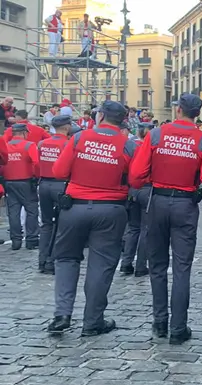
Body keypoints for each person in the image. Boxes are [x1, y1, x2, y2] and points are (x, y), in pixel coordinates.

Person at [129, 93, 202, 344]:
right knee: (182, 267)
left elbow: (136, 173)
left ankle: (159, 322)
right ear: (197, 114)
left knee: (157, 265)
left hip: (157, 200)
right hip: (185, 203)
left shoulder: (157, 134)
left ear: (178, 109)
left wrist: (144, 183)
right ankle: (179, 327)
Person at [46, 101, 136, 335]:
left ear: (101, 116)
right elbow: (136, 180)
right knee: (101, 264)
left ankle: (62, 314)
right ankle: (92, 321)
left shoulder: (79, 138)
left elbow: (58, 172)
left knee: (66, 258)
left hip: (74, 207)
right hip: (111, 209)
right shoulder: (128, 146)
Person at [37, 115, 72, 274]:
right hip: (60, 185)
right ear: (66, 128)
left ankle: (42, 260)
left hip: (43, 184)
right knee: (60, 225)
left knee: (46, 224)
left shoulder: (42, 143)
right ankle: (51, 262)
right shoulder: (67, 144)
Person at [119, 122, 154, 278]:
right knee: (145, 230)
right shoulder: (152, 148)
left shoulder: (129, 145)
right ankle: (141, 266)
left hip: (133, 189)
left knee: (133, 228)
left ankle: (126, 263)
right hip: (148, 189)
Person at [4, 123, 40, 251]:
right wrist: (37, 177)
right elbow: (36, 163)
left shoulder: (6, 146)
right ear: (24, 133)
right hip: (26, 182)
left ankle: (16, 240)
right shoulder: (29, 145)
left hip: (9, 182)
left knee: (13, 212)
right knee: (31, 210)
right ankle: (31, 240)